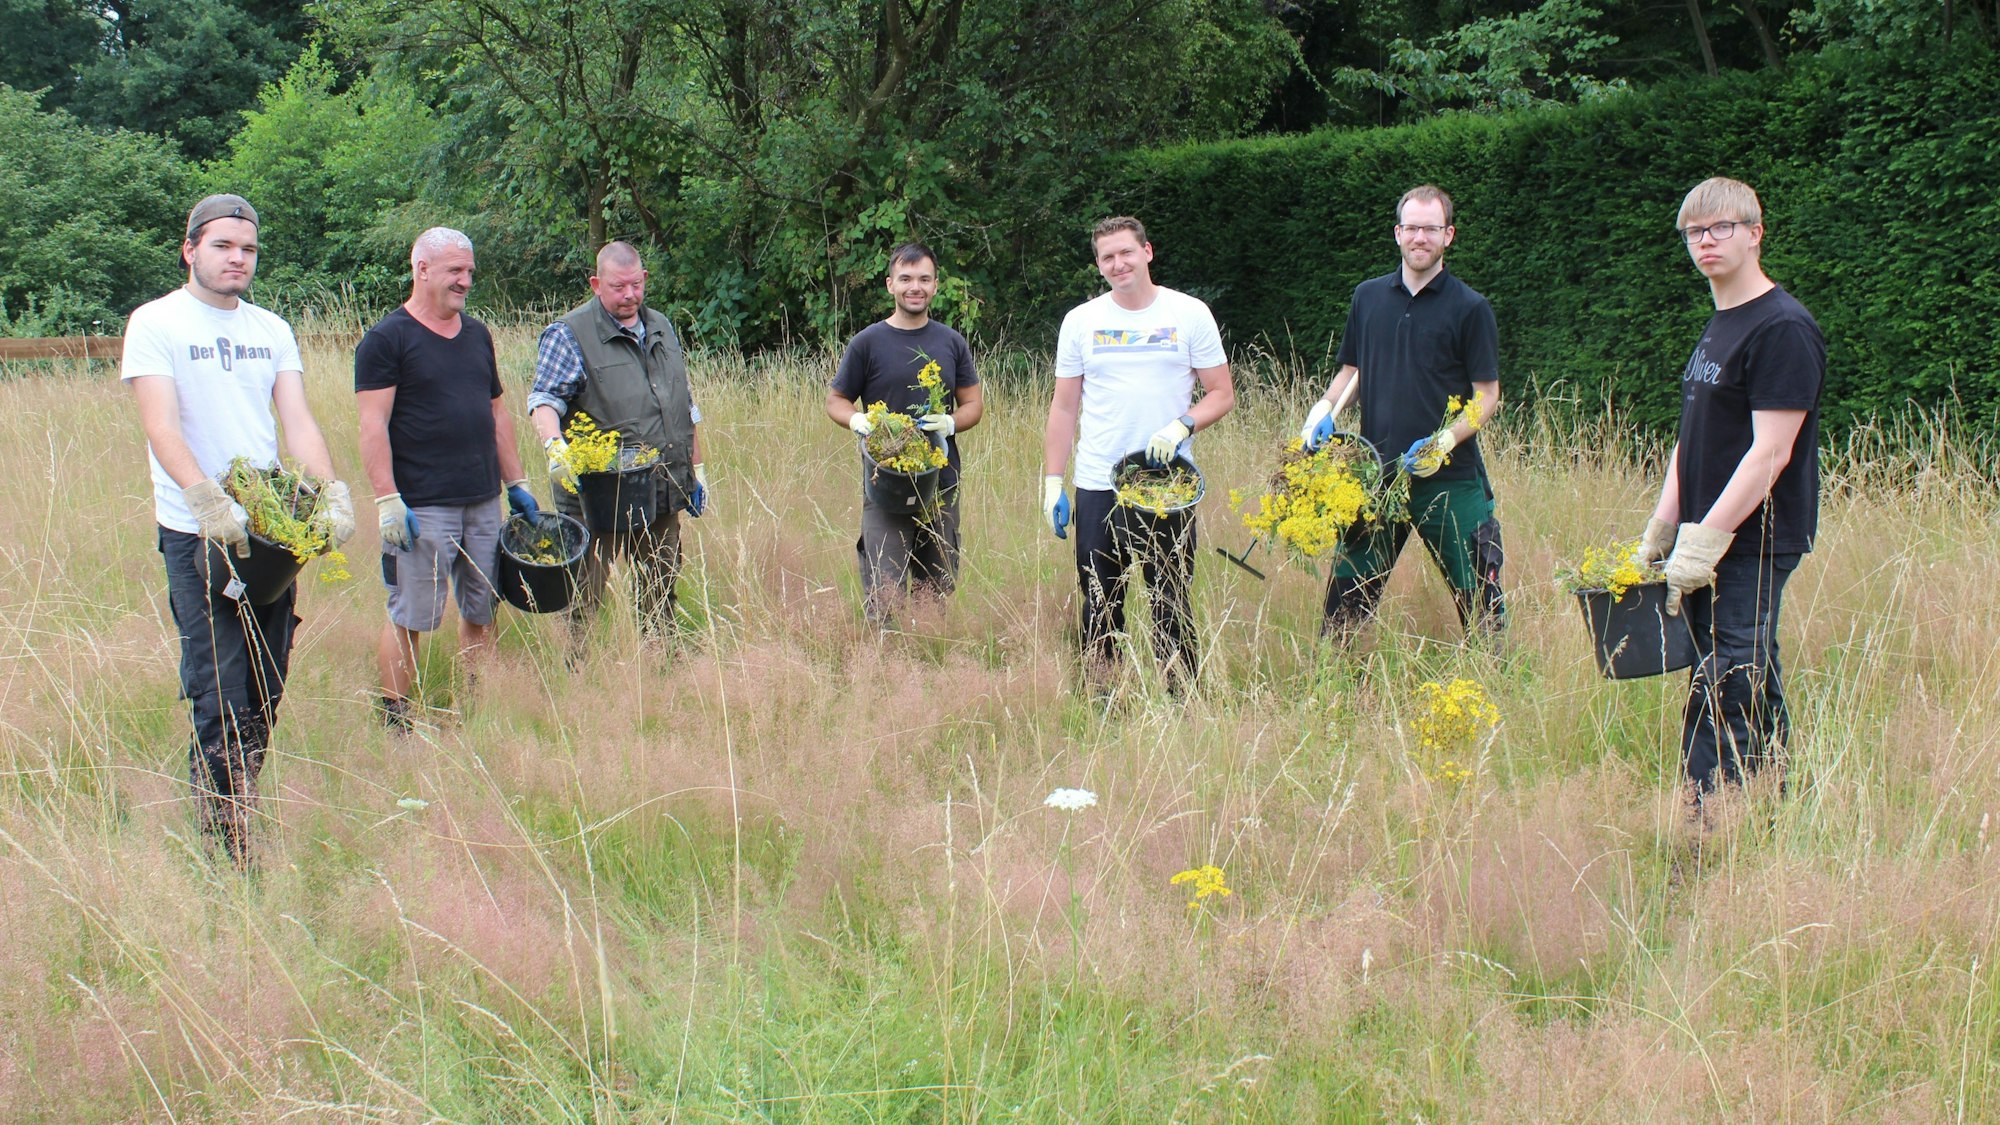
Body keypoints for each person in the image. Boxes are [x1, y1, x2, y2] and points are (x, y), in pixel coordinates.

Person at [123, 192, 356, 865]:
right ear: (190, 247)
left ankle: (238, 801)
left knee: (265, 683)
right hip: (201, 534)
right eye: (223, 245)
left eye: (248, 249)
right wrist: (203, 497)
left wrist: (331, 491)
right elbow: (160, 422)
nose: (238, 259)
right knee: (219, 686)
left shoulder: (271, 329)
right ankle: (228, 849)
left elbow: (298, 420)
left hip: (270, 534)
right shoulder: (157, 322)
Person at [1642, 176, 1825, 807]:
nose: (1705, 241)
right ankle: (1777, 801)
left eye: (1721, 228)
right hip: (1707, 536)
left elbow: (1771, 450)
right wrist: (1665, 525)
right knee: (1749, 667)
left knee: (1722, 678)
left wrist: (1707, 538)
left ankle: (1706, 824)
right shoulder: (1722, 322)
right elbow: (1693, 437)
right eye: (1694, 231)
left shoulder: (1782, 328)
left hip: (1753, 539)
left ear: (1755, 233)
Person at [1300, 184, 1505, 641]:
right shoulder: (1368, 298)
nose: (1420, 238)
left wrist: (1446, 440)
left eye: (1431, 229)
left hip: (1451, 481)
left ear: (1448, 235)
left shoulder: (1471, 308)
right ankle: (1335, 695)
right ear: (1397, 233)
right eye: (1411, 227)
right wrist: (1324, 408)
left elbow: (1487, 395)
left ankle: (1497, 687)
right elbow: (1352, 371)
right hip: (1377, 475)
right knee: (1345, 610)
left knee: (1482, 606)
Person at [1042, 216, 1234, 687]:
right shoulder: (1082, 321)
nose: (1118, 263)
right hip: (1097, 482)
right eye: (1107, 257)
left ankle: (1180, 698)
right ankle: (1105, 696)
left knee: (1170, 596)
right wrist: (1052, 483)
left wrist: (1181, 423)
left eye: (1126, 252)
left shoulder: (1189, 314)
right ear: (1099, 266)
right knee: (1100, 598)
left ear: (1147, 252)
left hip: (1167, 483)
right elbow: (1065, 407)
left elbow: (1221, 393)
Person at [356, 228, 535, 729]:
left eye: (470, 272)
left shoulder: (478, 335)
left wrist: (516, 484)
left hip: (482, 499)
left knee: (482, 610)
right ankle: (396, 722)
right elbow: (373, 424)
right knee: (411, 616)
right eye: (456, 270)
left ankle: (477, 709)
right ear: (422, 270)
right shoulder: (387, 339)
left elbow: (497, 413)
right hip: (421, 506)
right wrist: (387, 499)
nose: (465, 281)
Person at [528, 241, 707, 641]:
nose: (629, 296)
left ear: (644, 279)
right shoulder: (569, 333)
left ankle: (663, 666)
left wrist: (697, 470)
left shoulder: (660, 325)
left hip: (662, 488)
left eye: (635, 286)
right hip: (598, 495)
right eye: (617, 287)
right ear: (596, 284)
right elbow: (544, 401)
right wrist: (556, 450)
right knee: (584, 595)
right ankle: (578, 674)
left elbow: (683, 404)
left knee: (661, 589)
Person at [826, 242, 984, 621]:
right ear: (890, 285)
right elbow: (836, 400)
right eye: (906, 279)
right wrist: (856, 420)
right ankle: (883, 667)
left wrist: (950, 422)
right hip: (885, 483)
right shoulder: (868, 342)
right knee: (885, 588)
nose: (916, 287)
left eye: (924, 279)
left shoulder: (951, 342)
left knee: (937, 587)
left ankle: (929, 656)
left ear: (935, 285)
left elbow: (974, 405)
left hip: (940, 480)